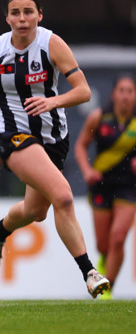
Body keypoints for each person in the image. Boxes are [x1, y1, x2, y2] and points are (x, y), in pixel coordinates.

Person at [0, 0, 110, 299]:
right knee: (64, 196)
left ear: (39, 15)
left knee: (36, 210)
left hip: (53, 138)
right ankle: (89, 272)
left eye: (28, 11)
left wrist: (53, 101)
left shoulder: (52, 44)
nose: (22, 18)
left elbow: (83, 91)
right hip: (12, 133)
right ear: (7, 18)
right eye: (15, 12)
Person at [74, 74, 136, 299]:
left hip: (129, 188)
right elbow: (80, 146)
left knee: (118, 238)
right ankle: (104, 257)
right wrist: (87, 171)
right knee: (103, 245)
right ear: (114, 94)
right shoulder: (99, 117)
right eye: (122, 91)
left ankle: (108, 287)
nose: (126, 96)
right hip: (101, 186)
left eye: (130, 91)